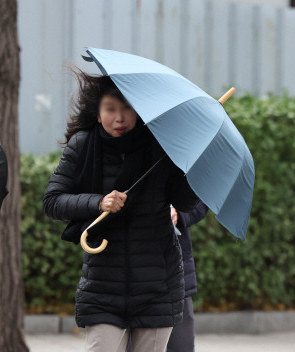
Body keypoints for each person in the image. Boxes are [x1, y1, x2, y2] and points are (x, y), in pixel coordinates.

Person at [43, 71, 198, 352]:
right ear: (98, 112)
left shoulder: (162, 147)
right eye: (111, 109)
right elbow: (53, 201)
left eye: (127, 108)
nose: (120, 118)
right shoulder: (83, 145)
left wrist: (193, 166)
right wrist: (98, 202)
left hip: (157, 284)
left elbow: (186, 203)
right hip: (103, 286)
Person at [167, 201, 208, 352]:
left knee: (181, 345)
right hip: (134, 275)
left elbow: (202, 199)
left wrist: (178, 213)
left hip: (176, 269)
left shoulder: (187, 176)